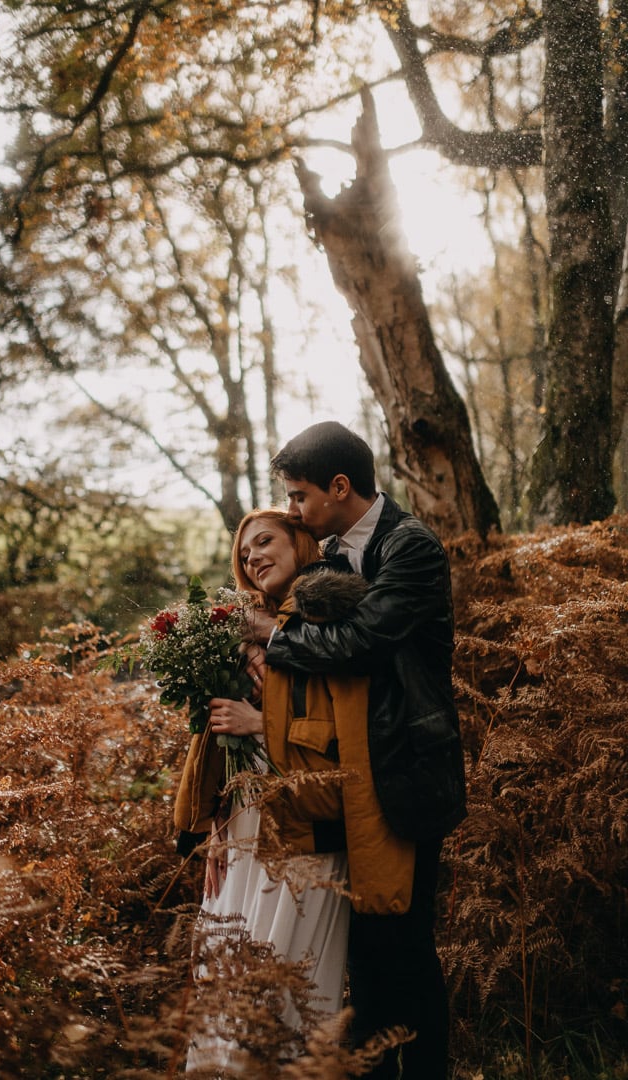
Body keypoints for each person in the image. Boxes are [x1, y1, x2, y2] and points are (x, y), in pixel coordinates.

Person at [249, 421, 467, 1080]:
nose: (292, 510)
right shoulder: (335, 553)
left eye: (298, 496)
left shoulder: (412, 548)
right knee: (365, 953)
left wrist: (269, 637)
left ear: (339, 487)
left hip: (407, 773)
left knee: (405, 946)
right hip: (353, 779)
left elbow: (361, 644)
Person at [175, 509, 415, 1075]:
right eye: (244, 551)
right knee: (228, 969)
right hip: (241, 824)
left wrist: (261, 723)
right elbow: (213, 746)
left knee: (290, 971)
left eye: (265, 541)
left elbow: (351, 730)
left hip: (307, 821)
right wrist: (214, 829)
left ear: (300, 541)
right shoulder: (235, 627)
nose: (253, 555)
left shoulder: (333, 617)